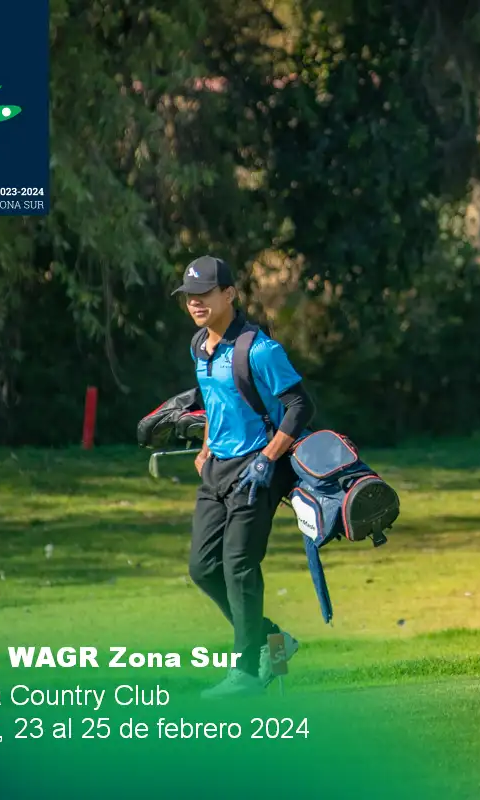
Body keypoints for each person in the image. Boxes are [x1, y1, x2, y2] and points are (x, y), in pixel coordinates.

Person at [173, 254, 315, 698]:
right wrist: (205, 449)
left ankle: (247, 674)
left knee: (238, 566)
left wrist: (267, 458)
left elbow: (300, 406)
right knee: (203, 568)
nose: (195, 303)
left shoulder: (259, 350)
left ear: (229, 294)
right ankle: (276, 642)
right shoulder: (199, 346)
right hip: (217, 469)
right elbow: (215, 403)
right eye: (189, 296)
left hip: (258, 469)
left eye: (204, 294)